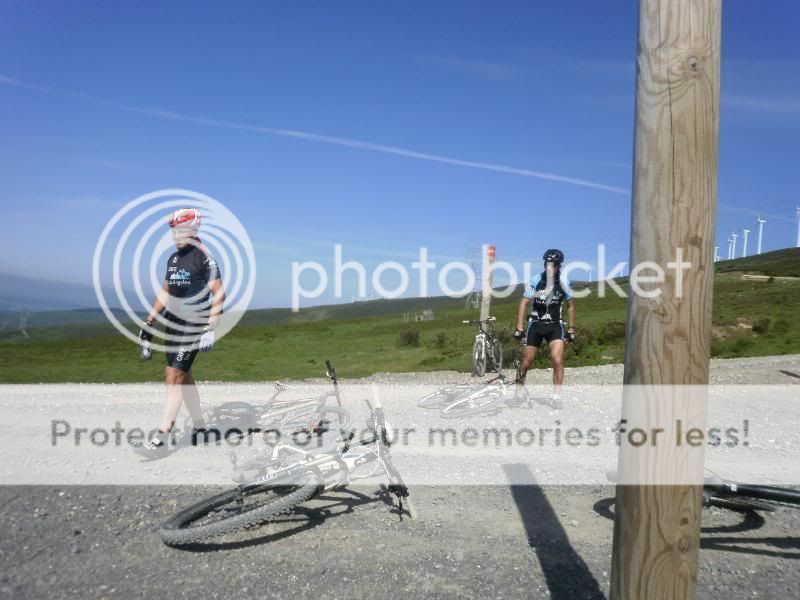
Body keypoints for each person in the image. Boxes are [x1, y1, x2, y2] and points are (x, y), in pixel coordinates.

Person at [134, 208, 225, 458]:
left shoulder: (204, 258)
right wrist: (149, 322)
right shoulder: (174, 259)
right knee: (183, 376)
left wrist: (211, 327)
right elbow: (165, 291)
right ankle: (199, 427)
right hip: (172, 323)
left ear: (195, 230)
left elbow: (219, 294)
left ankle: (163, 438)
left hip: (194, 323)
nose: (176, 236)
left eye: (181, 231)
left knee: (174, 375)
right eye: (174, 232)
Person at [513, 249, 576, 408]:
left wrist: (571, 329)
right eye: (547, 264)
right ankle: (518, 392)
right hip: (535, 324)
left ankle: (556, 397)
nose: (549, 268)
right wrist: (520, 327)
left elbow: (570, 306)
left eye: (553, 265)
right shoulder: (536, 280)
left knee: (558, 359)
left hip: (555, 325)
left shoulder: (564, 282)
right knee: (526, 361)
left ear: (559, 266)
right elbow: (524, 303)